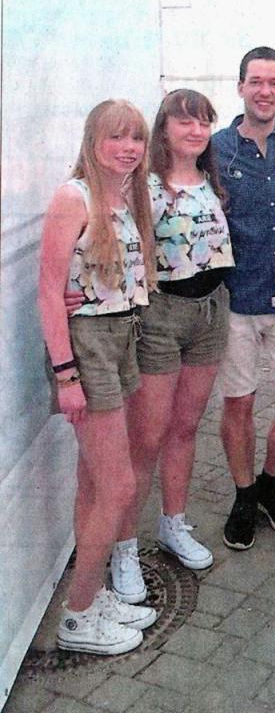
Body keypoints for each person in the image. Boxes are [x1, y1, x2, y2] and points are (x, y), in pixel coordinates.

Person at [103, 90, 233, 604]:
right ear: (164, 129)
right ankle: (123, 548)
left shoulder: (211, 180)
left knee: (185, 427)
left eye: (203, 122)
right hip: (161, 315)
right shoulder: (143, 185)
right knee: (146, 437)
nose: (196, 131)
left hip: (211, 312)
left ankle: (173, 524)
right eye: (185, 122)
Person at [38, 100, 158, 654]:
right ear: (93, 140)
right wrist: (66, 376)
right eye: (116, 137)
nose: (128, 148)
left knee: (93, 482)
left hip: (121, 337)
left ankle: (93, 594)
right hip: (86, 347)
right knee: (120, 486)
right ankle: (79, 616)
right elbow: (48, 292)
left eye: (136, 138)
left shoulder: (126, 196)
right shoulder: (74, 197)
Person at [213, 47, 275, 550]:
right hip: (236, 298)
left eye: (274, 82)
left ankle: (270, 485)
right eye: (255, 81)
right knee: (239, 404)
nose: (264, 90)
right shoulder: (214, 149)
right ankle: (243, 494)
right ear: (240, 87)